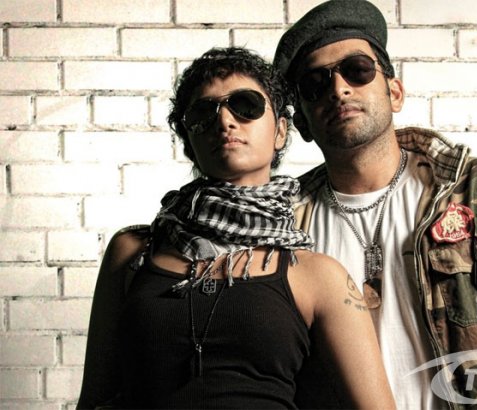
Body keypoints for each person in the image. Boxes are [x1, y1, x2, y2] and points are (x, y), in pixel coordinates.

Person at [273, 0, 477, 408]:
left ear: (394, 92)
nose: (339, 89)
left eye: (358, 70)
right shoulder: (281, 226)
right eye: (316, 83)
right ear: (302, 124)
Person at [77, 47, 395, 409]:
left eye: (246, 106)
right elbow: (94, 400)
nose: (225, 121)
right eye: (204, 112)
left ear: (280, 131)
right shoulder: (133, 251)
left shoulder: (317, 275)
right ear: (189, 139)